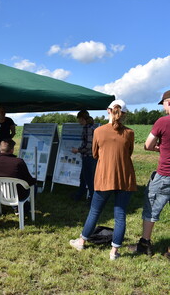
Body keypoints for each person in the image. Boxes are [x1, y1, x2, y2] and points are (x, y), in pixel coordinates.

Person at [69, 99, 137, 260]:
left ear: (108, 111)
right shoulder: (130, 133)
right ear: (124, 114)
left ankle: (81, 241)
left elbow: (94, 154)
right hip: (125, 178)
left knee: (95, 211)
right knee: (120, 214)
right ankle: (114, 252)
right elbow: (129, 153)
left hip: (104, 176)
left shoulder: (98, 132)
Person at [129, 90, 170, 257]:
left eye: (164, 104)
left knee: (151, 208)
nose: (163, 108)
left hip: (165, 174)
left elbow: (147, 144)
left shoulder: (163, 122)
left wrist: (158, 147)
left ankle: (145, 244)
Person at [0, 139, 36, 213]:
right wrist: (34, 180)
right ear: (12, 150)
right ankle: (25, 208)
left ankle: (17, 208)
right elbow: (29, 180)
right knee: (34, 186)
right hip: (19, 194)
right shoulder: (18, 162)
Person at [71, 110, 97, 202]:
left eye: (79, 119)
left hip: (89, 157)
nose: (78, 122)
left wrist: (77, 150)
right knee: (83, 177)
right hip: (88, 157)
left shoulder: (88, 129)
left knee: (89, 179)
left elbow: (88, 146)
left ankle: (92, 199)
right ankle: (79, 194)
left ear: (82, 119)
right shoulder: (90, 127)